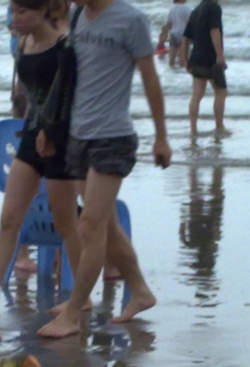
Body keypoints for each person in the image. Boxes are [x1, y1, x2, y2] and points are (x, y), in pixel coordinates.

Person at [36, 0, 171, 337]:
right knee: (105, 224)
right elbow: (69, 78)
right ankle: (140, 291)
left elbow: (150, 79)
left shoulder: (131, 19)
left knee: (90, 226)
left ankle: (73, 313)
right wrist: (50, 127)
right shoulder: (78, 16)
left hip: (113, 138)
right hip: (78, 136)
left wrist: (161, 137)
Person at [0, 0, 84, 313]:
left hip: (58, 141)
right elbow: (31, 95)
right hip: (30, 137)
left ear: (42, 12)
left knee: (66, 223)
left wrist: (52, 133)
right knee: (9, 218)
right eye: (13, 12)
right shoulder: (24, 44)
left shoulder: (64, 47)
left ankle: (82, 297)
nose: (15, 18)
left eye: (23, 12)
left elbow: (70, 100)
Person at [181, 0, 228, 137]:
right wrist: (220, 56)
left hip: (196, 58)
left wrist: (185, 59)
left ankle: (193, 130)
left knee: (197, 94)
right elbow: (214, 31)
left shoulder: (195, 11)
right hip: (211, 58)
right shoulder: (214, 7)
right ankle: (219, 127)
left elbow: (185, 37)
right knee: (220, 92)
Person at [166, 0, 191, 67]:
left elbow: (169, 23)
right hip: (184, 36)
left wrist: (168, 34)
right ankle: (181, 73)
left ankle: (171, 72)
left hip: (174, 34)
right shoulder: (187, 8)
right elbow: (190, 23)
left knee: (172, 58)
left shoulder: (172, 8)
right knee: (183, 60)